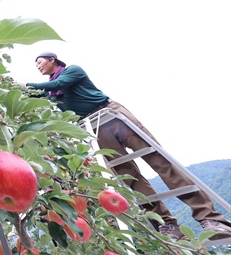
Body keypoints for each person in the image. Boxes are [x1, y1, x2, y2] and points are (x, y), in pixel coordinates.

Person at [24, 51, 231, 241]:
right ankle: (167, 224)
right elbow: (38, 97)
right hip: (95, 127)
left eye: (40, 62)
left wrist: (27, 85)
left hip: (111, 115)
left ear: (52, 59)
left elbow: (54, 85)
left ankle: (210, 218)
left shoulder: (71, 72)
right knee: (128, 176)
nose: (38, 67)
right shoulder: (51, 92)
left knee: (160, 162)